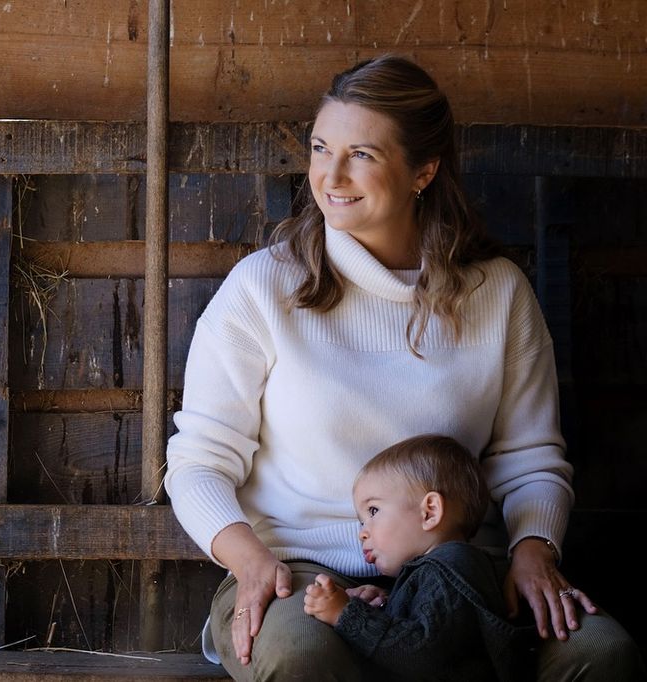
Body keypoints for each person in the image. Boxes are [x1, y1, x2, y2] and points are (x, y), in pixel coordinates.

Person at [163, 53, 645, 681]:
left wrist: (533, 552)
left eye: (361, 154)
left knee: (603, 658)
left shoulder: (497, 294)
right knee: (303, 659)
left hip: (456, 573)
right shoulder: (262, 289)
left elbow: (531, 460)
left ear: (424, 170)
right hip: (301, 575)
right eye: (319, 147)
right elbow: (197, 462)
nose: (330, 174)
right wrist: (251, 562)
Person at [303, 434, 536, 681]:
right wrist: (384, 605)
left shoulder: (448, 572)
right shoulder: (440, 570)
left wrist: (346, 614)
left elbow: (421, 654)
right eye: (362, 520)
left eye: (373, 511)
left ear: (430, 512)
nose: (362, 532)